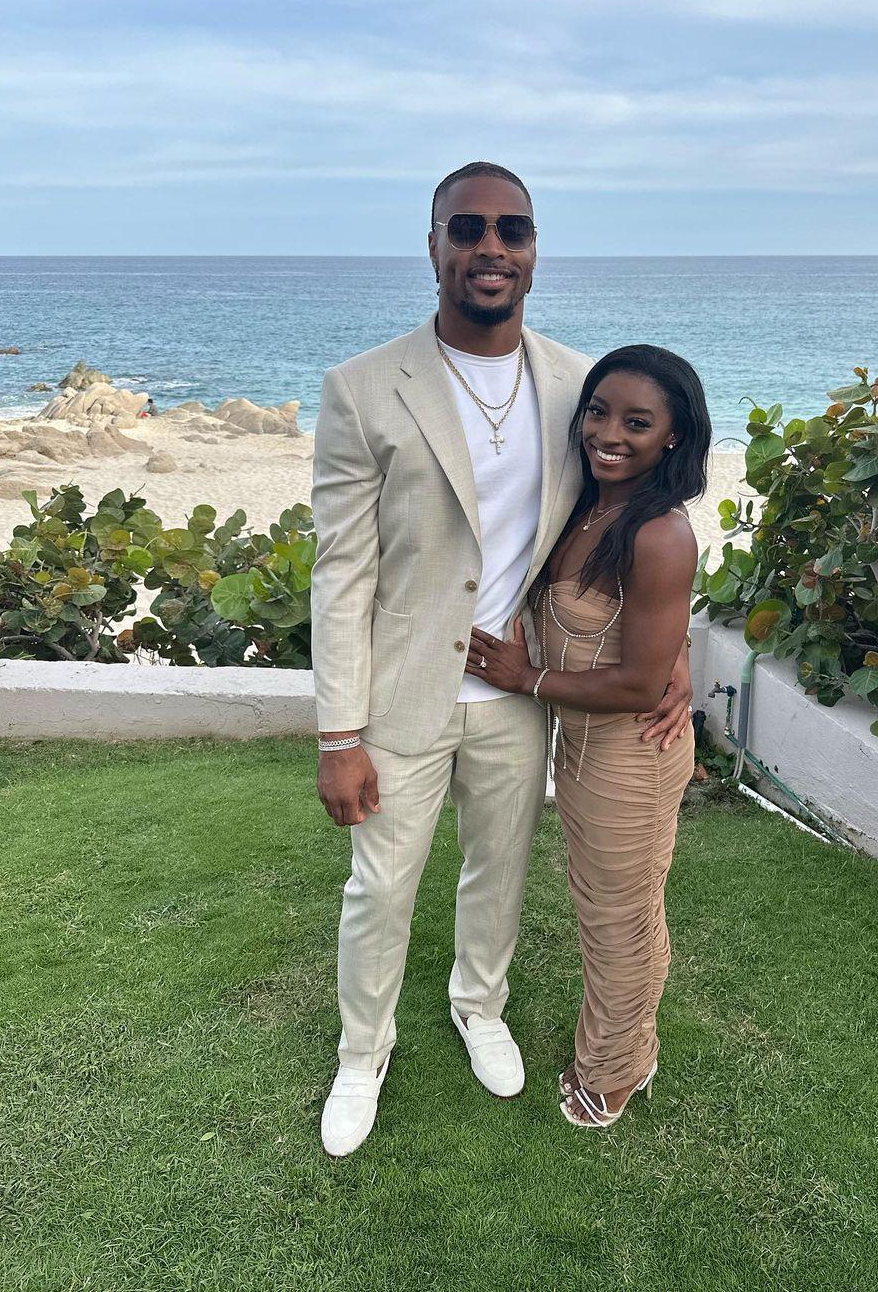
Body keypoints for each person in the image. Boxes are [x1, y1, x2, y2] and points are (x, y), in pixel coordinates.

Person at [310, 162, 693, 1157]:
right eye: (467, 228)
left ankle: (479, 1007)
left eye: (511, 230)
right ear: (434, 245)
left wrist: (674, 647)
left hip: (519, 691)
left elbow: (641, 512)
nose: (490, 248)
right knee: (381, 887)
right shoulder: (362, 388)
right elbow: (342, 571)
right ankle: (364, 1053)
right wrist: (338, 732)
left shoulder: (577, 384)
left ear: (533, 252)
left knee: (500, 871)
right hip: (402, 690)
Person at [467, 344, 712, 1128]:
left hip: (629, 754)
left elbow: (639, 684)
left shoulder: (658, 533)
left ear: (673, 437)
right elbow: (647, 636)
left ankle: (616, 1068)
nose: (609, 433)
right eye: (598, 413)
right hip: (580, 748)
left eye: (638, 422)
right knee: (615, 907)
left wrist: (523, 679)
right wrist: (678, 655)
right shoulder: (588, 503)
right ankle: (629, 1043)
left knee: (621, 919)